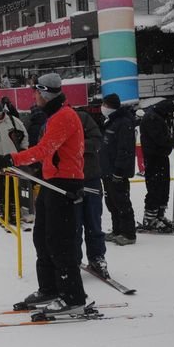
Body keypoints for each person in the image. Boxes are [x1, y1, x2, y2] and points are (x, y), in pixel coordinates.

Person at [0, 73, 86, 315]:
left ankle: (73, 296)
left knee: (60, 241)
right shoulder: (54, 116)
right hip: (51, 181)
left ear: (46, 93)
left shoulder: (64, 116)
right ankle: (50, 287)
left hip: (65, 185)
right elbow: (49, 154)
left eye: (37, 92)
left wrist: (10, 159)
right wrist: (28, 168)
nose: (34, 96)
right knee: (42, 237)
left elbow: (44, 149)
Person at [99, 93, 137, 247]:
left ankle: (128, 233)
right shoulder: (110, 121)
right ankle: (117, 230)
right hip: (106, 169)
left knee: (122, 201)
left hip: (117, 171)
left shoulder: (123, 123)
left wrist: (119, 171)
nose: (103, 107)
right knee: (111, 201)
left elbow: (125, 149)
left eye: (105, 104)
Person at [74, 104, 107, 277]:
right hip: (69, 181)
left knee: (94, 222)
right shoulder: (51, 122)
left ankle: (97, 257)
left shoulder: (82, 118)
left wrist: (76, 145)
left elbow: (97, 140)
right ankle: (74, 259)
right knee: (73, 225)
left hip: (91, 178)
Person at [140, 99, 174, 232]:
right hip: (153, 157)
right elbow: (159, 138)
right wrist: (171, 141)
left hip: (160, 156)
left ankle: (159, 215)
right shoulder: (152, 118)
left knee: (163, 187)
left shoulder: (158, 116)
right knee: (155, 187)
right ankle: (150, 217)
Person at [134, 109, 146, 176]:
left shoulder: (136, 126)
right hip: (145, 143)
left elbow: (135, 136)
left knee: (140, 158)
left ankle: (142, 170)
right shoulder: (146, 124)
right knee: (144, 157)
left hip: (138, 144)